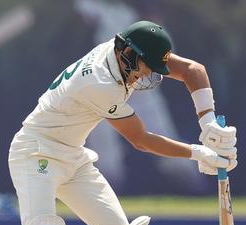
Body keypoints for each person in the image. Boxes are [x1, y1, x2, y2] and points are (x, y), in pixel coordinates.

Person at [0, 21, 237, 225]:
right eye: (143, 70)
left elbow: (193, 70)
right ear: (127, 54)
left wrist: (208, 124)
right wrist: (198, 153)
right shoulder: (99, 82)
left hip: (73, 156)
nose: (143, 78)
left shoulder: (128, 53)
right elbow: (141, 140)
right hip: (36, 152)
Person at [74, 0, 204, 192]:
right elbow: (83, 7)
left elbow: (172, 68)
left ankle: (197, 189)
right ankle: (103, 195)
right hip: (105, 90)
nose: (155, 15)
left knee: (168, 145)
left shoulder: (160, 35)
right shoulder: (115, 14)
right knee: (105, 155)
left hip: (144, 96)